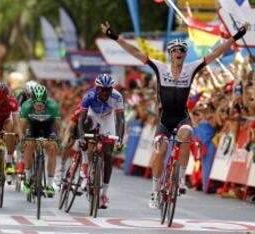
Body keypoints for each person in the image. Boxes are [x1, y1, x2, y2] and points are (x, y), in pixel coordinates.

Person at [101, 21, 249, 209]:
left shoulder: (191, 68)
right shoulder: (160, 68)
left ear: (185, 54)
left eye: (182, 50)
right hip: (164, 120)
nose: (179, 52)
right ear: (170, 54)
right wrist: (115, 37)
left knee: (186, 135)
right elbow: (135, 52)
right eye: (175, 50)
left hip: (181, 117)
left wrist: (235, 36)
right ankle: (155, 191)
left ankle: (180, 179)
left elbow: (216, 53)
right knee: (160, 151)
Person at [78, 73, 125, 209]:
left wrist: (120, 139)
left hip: (107, 120)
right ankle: (85, 168)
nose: (104, 92)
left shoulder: (117, 97)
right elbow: (81, 119)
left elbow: (121, 120)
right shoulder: (89, 95)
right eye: (102, 89)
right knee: (87, 137)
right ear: (97, 88)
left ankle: (104, 194)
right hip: (92, 117)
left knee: (108, 155)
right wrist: (82, 137)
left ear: (112, 89)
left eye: (107, 90)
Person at [19, 84, 61, 198]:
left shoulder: (53, 106)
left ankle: (50, 185)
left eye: (42, 104)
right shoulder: (26, 106)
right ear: (32, 102)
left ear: (46, 101)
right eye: (37, 105)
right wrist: (22, 137)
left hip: (49, 126)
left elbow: (58, 127)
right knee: (28, 145)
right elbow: (21, 127)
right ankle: (27, 178)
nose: (39, 107)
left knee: (52, 148)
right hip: (33, 126)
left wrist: (58, 139)